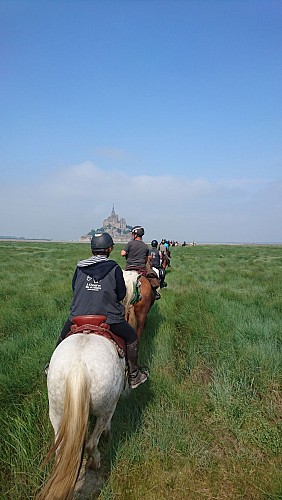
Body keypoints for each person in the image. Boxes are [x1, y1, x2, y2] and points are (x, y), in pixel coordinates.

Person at [45, 233, 148, 389]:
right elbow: (121, 294)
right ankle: (134, 375)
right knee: (132, 337)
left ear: (92, 248)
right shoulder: (113, 268)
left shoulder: (80, 266)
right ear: (109, 249)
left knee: (63, 335)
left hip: (78, 315)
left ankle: (50, 365)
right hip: (108, 318)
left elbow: (75, 288)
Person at [121, 226, 161, 299]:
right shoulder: (145, 246)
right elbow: (147, 259)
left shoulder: (130, 243)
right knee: (152, 277)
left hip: (129, 268)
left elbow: (122, 253)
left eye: (132, 234)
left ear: (135, 234)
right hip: (141, 269)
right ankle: (154, 292)